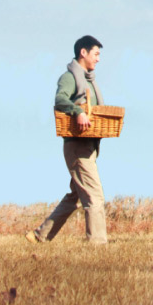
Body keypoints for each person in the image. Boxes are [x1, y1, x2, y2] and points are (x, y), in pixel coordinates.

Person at [35, 36, 110, 243]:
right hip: (77, 146)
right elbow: (60, 99)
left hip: (88, 146)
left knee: (75, 196)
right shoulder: (69, 77)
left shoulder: (89, 80)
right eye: (96, 54)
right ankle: (97, 244)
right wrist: (77, 111)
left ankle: (41, 235)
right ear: (83, 53)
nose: (98, 59)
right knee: (94, 196)